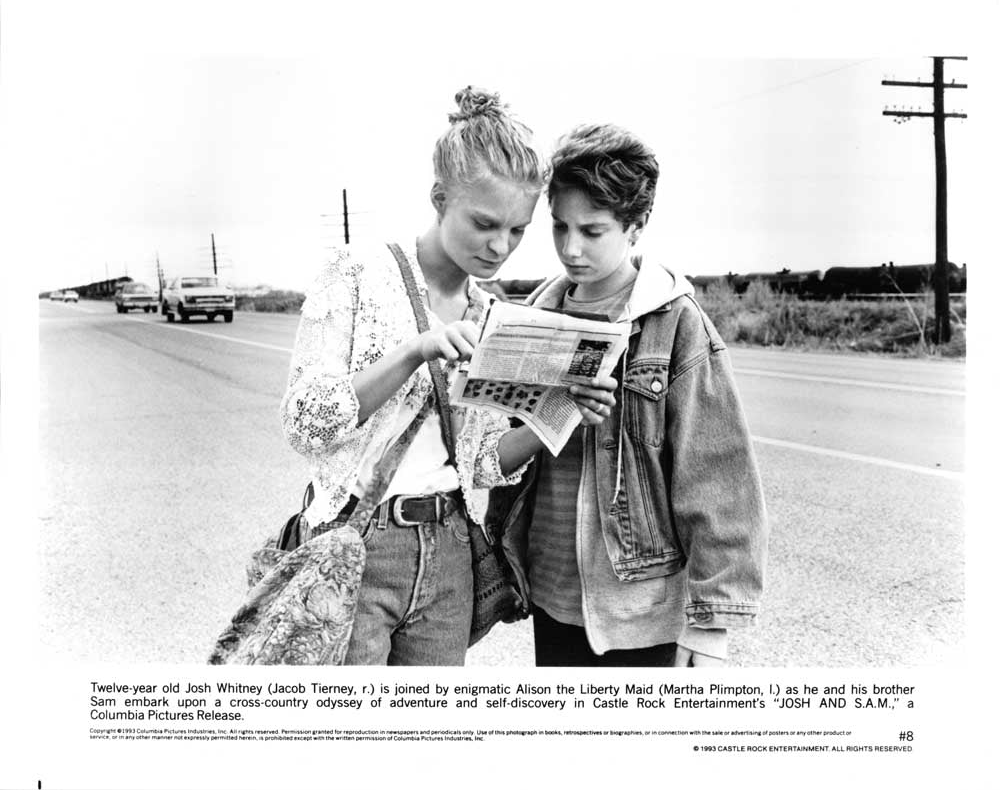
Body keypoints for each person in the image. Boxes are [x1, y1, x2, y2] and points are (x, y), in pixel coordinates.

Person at [279, 88, 617, 666]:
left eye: (517, 230)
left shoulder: (492, 315)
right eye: (485, 223)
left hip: (451, 551)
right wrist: (415, 351)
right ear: (439, 198)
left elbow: (482, 460)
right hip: (355, 544)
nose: (499, 246)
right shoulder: (358, 273)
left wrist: (558, 418)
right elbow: (305, 424)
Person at [490, 123, 767, 667]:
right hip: (549, 593)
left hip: (637, 609)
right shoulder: (533, 319)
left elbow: (718, 478)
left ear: (635, 226)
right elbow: (504, 452)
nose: (571, 248)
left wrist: (710, 624)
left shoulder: (676, 325)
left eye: (593, 231)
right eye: (560, 227)